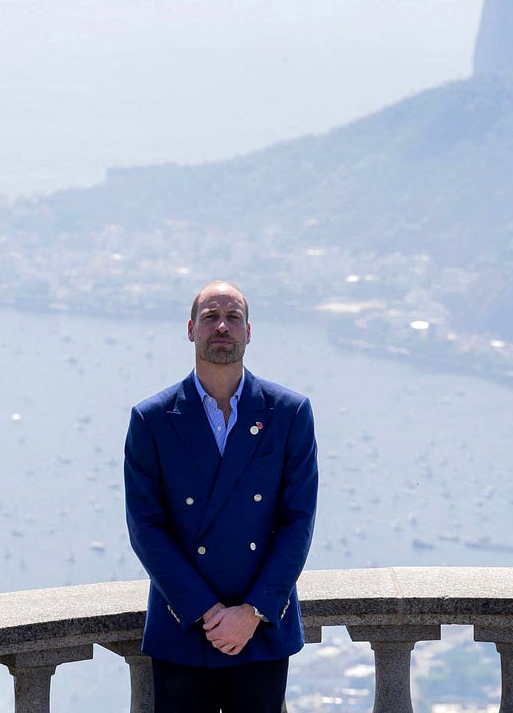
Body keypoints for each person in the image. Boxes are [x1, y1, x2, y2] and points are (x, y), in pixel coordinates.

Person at [124, 281, 320, 713]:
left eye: (233, 317)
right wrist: (207, 612)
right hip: (183, 625)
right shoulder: (152, 419)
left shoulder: (289, 413)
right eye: (210, 317)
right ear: (190, 329)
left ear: (249, 332)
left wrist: (251, 612)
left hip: (261, 628)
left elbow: (298, 522)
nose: (222, 327)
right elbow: (145, 528)